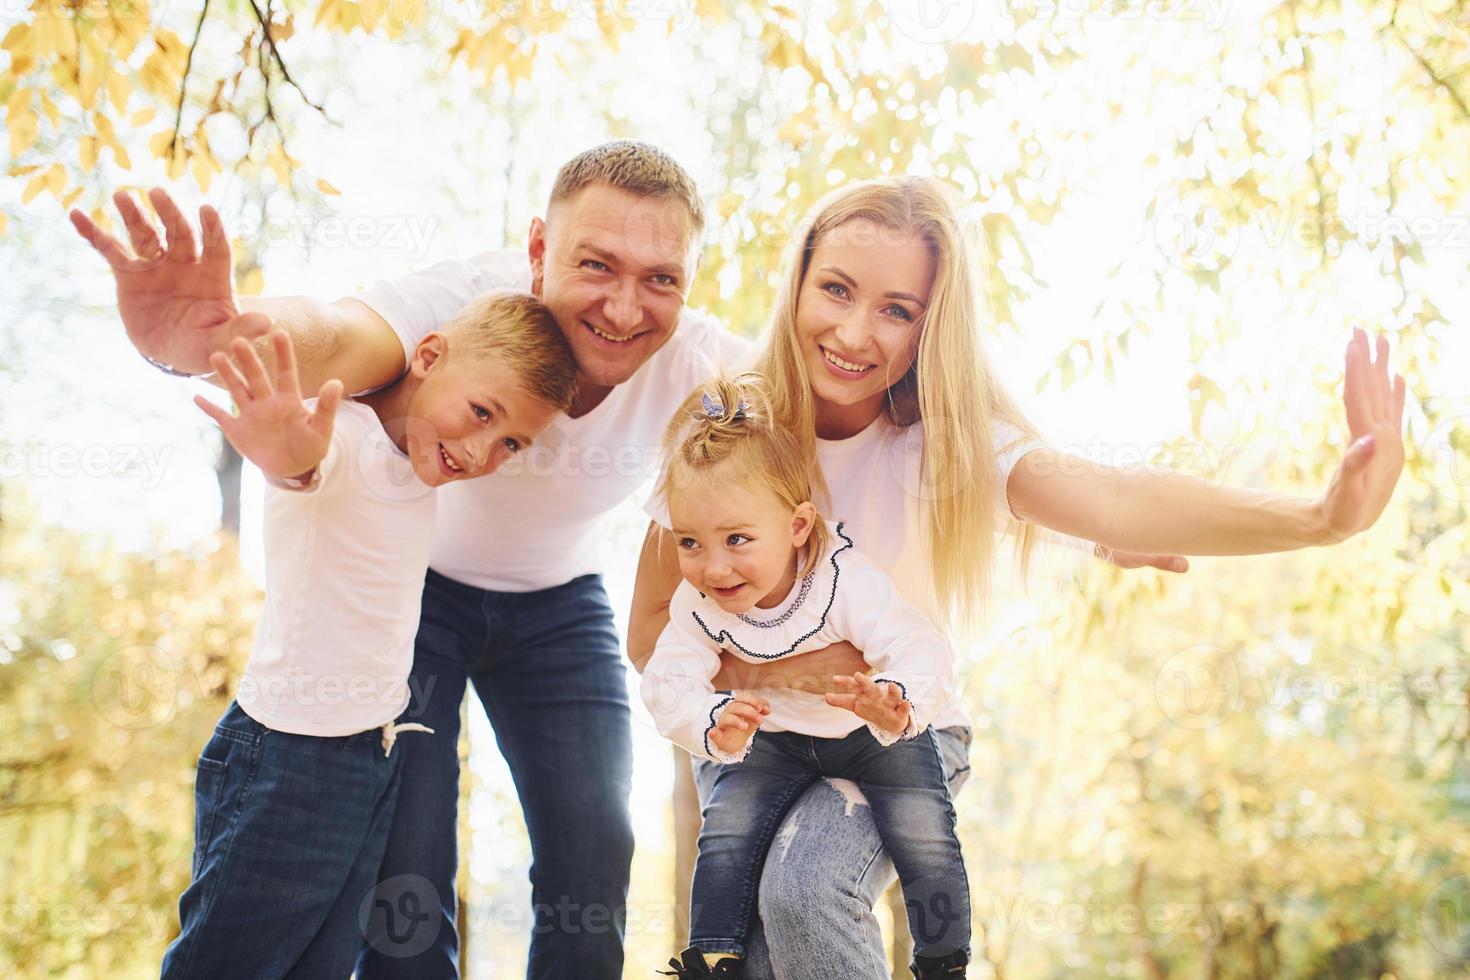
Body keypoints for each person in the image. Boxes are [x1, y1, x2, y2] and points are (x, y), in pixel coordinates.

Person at [71, 141, 1183, 978]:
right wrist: (211, 333)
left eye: (663, 277)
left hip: (560, 608)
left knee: (596, 833)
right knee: (407, 856)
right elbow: (327, 334)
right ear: (539, 248)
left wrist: (1082, 515)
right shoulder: (460, 307)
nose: (625, 303)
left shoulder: (705, 365)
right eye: (597, 263)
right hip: (419, 609)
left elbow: (859, 424)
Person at [627, 175, 1405, 980]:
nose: (855, 332)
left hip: (894, 737)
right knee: (740, 956)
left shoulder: (947, 448)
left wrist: (1321, 517)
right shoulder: (725, 435)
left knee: (805, 885)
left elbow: (1117, 496)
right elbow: (648, 634)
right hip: (757, 746)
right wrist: (781, 673)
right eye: (836, 290)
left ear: (931, 328)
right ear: (799, 281)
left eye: (897, 310)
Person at [163, 291, 577, 979]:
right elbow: (300, 465)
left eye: (511, 443)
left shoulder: (425, 462)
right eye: (482, 413)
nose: (481, 450)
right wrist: (285, 454)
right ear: (429, 354)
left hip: (370, 759)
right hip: (285, 756)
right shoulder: (340, 434)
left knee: (320, 967)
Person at [642, 374, 973, 979]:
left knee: (920, 820)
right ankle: (714, 956)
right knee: (728, 825)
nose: (714, 567)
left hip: (866, 735)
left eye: (737, 539)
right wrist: (712, 721)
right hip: (778, 742)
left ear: (797, 527)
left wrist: (897, 698)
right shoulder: (699, 604)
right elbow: (666, 678)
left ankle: (943, 954)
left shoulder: (842, 579)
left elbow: (917, 643)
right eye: (690, 542)